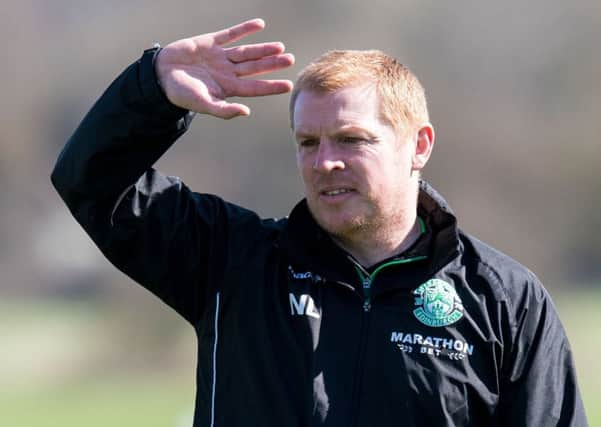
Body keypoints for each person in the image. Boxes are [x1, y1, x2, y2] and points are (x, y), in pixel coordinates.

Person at [51, 18, 587, 427]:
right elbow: (93, 184)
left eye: (351, 140)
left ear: (418, 146)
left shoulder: (506, 302)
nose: (324, 161)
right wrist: (152, 88)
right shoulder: (232, 262)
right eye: (308, 142)